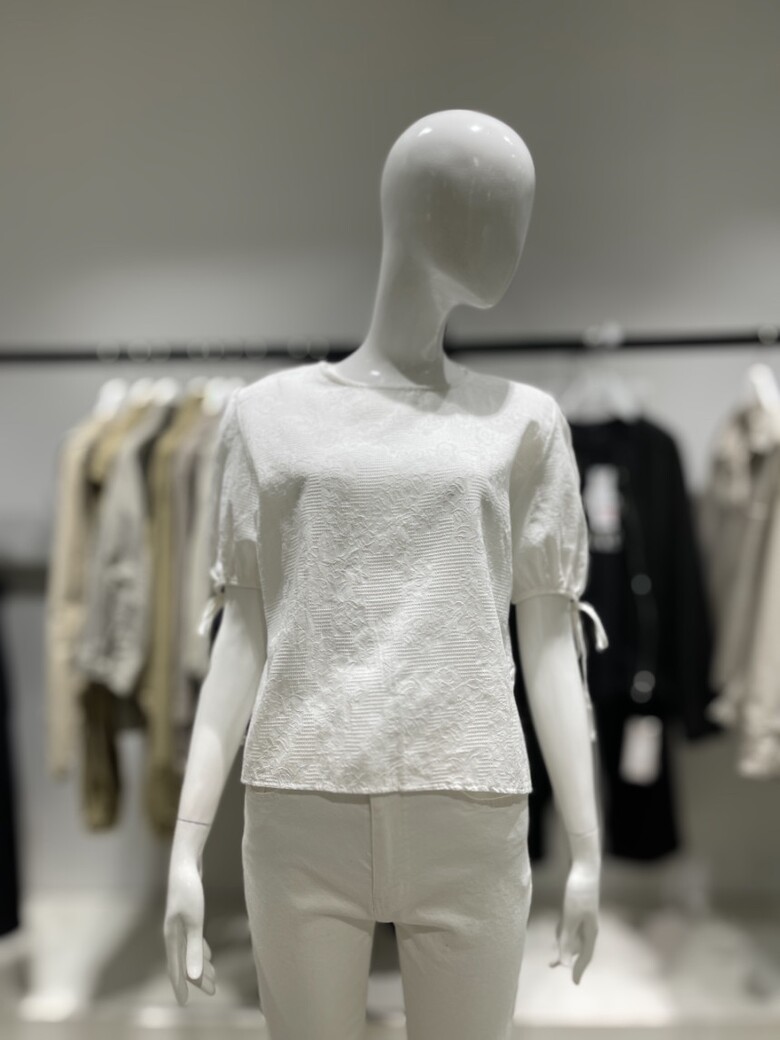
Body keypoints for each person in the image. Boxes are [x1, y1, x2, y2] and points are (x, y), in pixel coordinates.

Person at [164, 109, 603, 1040]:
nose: (513, 238)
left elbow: (550, 644)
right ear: (416, 213)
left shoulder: (525, 422)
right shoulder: (266, 416)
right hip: (300, 802)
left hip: (471, 804)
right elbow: (241, 633)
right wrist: (186, 847)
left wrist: (588, 847)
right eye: (493, 206)